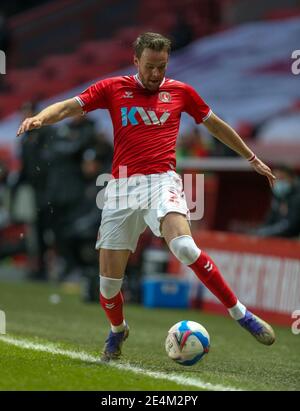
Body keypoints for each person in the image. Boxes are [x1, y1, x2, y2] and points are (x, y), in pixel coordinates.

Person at [17, 32, 276, 361]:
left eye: (162, 66)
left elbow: (216, 126)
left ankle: (241, 314)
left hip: (161, 181)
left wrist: (252, 158)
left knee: (183, 246)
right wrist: (41, 117)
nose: (156, 74)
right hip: (122, 187)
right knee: (109, 287)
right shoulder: (112, 88)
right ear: (136, 61)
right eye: (150, 66)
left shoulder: (181, 92)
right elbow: (70, 106)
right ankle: (117, 330)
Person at [254, 165, 300, 238]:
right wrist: (261, 231)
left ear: (292, 179)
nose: (278, 182)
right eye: (275, 179)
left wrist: (266, 233)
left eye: (282, 178)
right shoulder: (278, 196)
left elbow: (291, 226)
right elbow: (269, 220)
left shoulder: (297, 197)